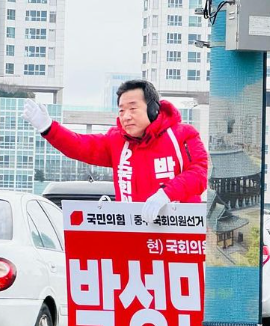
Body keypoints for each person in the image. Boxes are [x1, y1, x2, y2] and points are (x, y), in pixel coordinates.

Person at [22, 79, 208, 221]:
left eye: (133, 109)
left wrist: (166, 194)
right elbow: (81, 146)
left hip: (179, 235)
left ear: (153, 109)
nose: (126, 116)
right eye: (121, 110)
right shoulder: (117, 141)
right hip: (132, 233)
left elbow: (199, 173)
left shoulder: (183, 135)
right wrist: (48, 128)